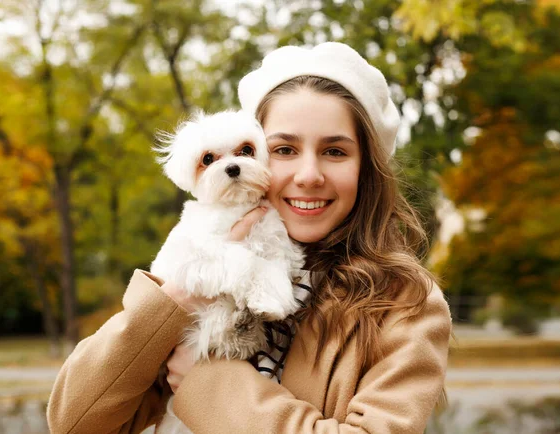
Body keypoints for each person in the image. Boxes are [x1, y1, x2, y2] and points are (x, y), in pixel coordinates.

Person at [47, 42, 452, 434]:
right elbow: (75, 422)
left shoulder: (406, 304)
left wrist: (208, 383)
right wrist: (186, 294)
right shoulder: (193, 274)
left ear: (366, 169)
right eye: (284, 150)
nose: (309, 175)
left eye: (335, 152)